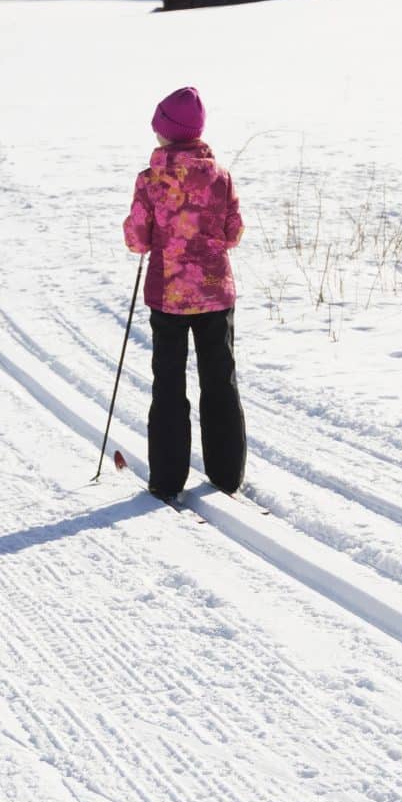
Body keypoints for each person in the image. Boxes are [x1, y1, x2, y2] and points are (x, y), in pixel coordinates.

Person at [122, 86, 247, 502]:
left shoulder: (150, 180)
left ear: (166, 133)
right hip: (214, 292)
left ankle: (167, 478)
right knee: (220, 380)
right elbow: (233, 233)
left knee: (169, 383)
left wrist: (155, 236)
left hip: (169, 294)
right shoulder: (220, 177)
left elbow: (138, 238)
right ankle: (227, 473)